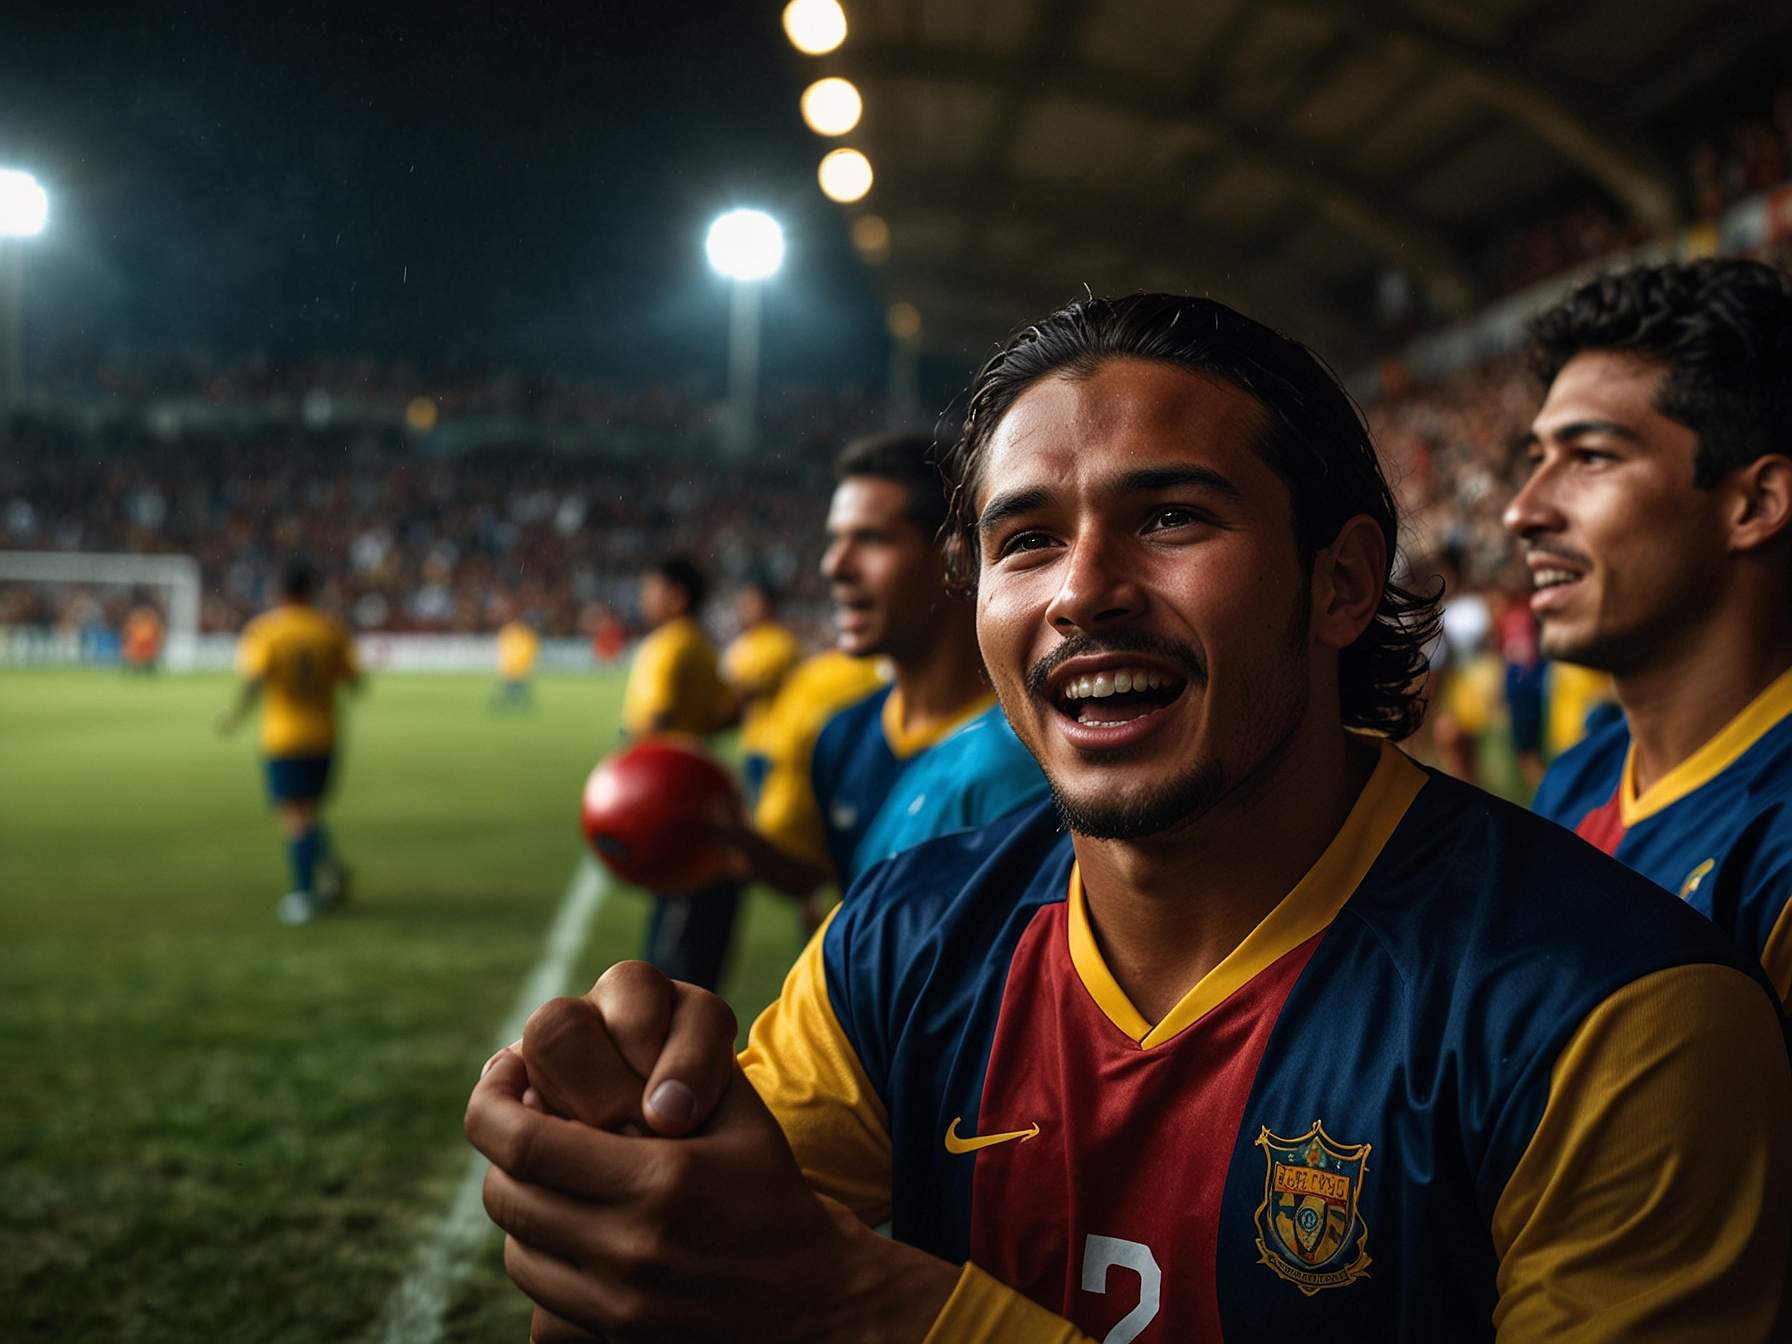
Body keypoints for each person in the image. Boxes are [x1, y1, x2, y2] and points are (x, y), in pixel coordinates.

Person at [468, 294, 1792, 1342]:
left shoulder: (1619, 1021)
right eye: (1025, 540)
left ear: (1340, 585)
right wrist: (623, 1213)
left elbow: (807, 1297)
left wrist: (865, 1309)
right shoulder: (899, 943)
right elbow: (695, 1292)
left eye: (1168, 516)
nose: (1081, 592)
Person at [1510, 260, 1792, 1004]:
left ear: (1756, 502)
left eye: (1591, 456)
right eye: (1537, 459)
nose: (1522, 511)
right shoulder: (1581, 776)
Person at [719, 432, 1049, 903]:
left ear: (956, 554)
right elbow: (829, 878)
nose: (835, 565)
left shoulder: (1032, 753)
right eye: (836, 540)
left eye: (870, 539)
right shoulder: (842, 735)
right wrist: (739, 841)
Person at [217, 560, 362, 925]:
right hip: (325, 735)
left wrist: (234, 715)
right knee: (307, 809)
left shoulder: (266, 631)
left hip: (284, 737)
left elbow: (254, 679)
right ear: (311, 591)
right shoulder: (330, 629)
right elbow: (355, 683)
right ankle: (331, 868)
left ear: (277, 594)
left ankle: (304, 894)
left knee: (295, 815)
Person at [620, 554, 740, 992]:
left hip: (666, 799)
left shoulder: (667, 645)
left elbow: (655, 720)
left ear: (676, 597)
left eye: (650, 587)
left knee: (670, 951)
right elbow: (725, 715)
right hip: (696, 794)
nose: (642, 597)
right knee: (696, 945)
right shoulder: (701, 644)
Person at [721, 575, 804, 806]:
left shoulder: (778, 644)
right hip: (754, 744)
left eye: (751, 602)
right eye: (743, 602)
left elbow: (738, 697)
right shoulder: (746, 642)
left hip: (773, 748)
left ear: (770, 604)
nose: (744, 608)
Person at [493, 616, 539, 710]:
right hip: (515, 665)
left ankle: (509, 704)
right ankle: (512, 704)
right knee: (514, 687)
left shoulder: (523, 634)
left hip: (514, 665)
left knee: (514, 687)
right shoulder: (525, 634)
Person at [121, 602, 164, 675]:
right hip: (138, 650)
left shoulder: (151, 624)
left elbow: (158, 636)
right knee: (135, 662)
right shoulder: (136, 624)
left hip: (146, 650)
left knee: (147, 663)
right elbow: (128, 634)